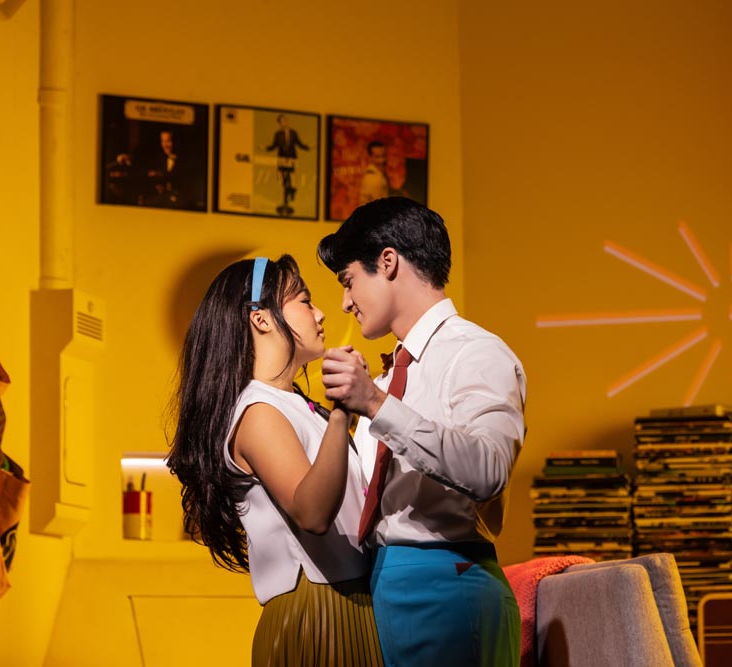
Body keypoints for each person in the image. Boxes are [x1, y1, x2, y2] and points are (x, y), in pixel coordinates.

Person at [318, 197, 526, 667]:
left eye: (349, 281)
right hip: (384, 582)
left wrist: (374, 403)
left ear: (388, 262)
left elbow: (489, 468)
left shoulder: (476, 353)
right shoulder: (390, 376)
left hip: (447, 582)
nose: (345, 302)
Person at [167, 255, 383, 666]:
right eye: (304, 300)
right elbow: (313, 512)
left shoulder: (295, 405)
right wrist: (342, 411)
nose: (320, 313)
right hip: (320, 617)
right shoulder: (257, 410)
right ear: (261, 319)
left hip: (354, 605)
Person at [263, 114, 310, 214]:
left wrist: (307, 147)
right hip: (282, 159)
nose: (284, 123)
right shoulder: (278, 134)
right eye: (282, 121)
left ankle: (288, 196)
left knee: (289, 178)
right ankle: (289, 195)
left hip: (292, 159)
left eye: (285, 120)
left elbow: (299, 144)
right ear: (279, 123)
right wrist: (265, 148)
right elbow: (274, 146)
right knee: (283, 179)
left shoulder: (293, 133)